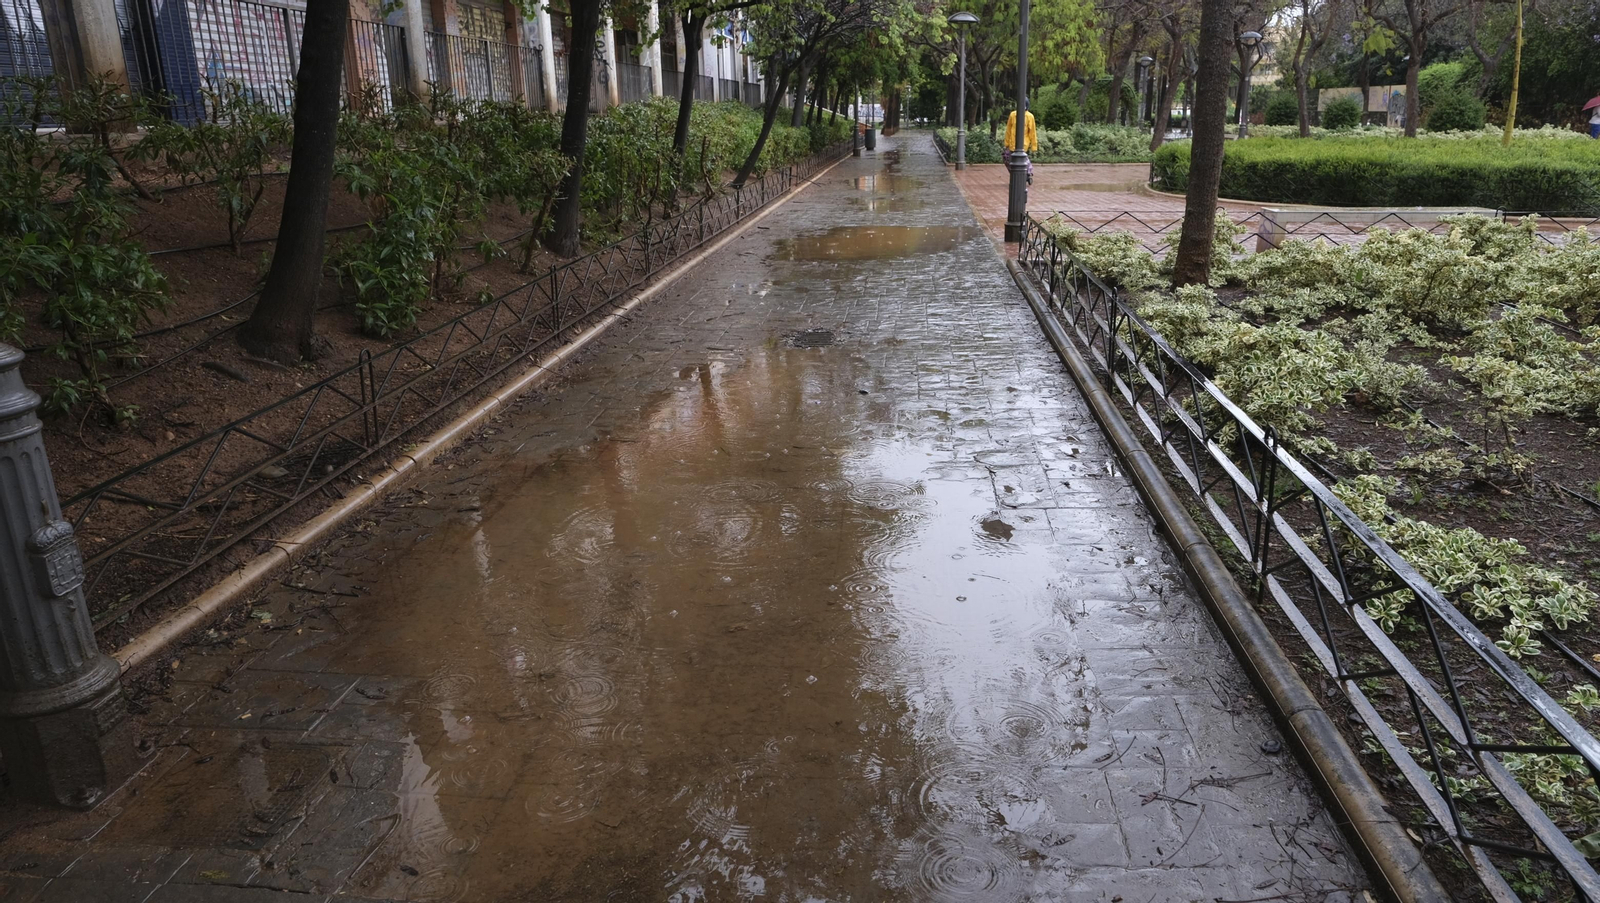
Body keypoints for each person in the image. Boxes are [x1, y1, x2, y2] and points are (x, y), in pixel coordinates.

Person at [1003, 101, 1038, 183]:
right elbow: (1008, 130)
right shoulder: (1013, 115)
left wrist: (1034, 146)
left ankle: (1027, 174)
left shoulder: (1029, 116)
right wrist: (1006, 143)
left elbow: (1032, 132)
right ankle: (1017, 175)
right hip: (1012, 143)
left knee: (1022, 160)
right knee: (1009, 160)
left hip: (1023, 144)